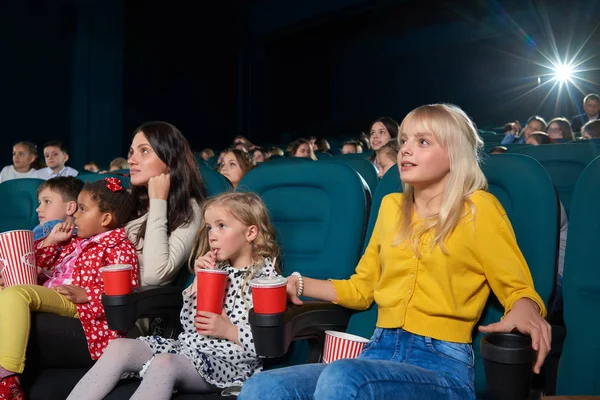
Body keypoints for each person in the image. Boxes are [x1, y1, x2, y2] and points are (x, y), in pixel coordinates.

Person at [239, 104, 551, 400]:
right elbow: (362, 289)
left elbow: (518, 288)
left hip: (442, 364)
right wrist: (298, 283)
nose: (405, 149)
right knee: (264, 386)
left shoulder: (478, 209)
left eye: (423, 141)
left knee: (343, 378)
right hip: (376, 352)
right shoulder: (391, 208)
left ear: (455, 155)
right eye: (404, 140)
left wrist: (527, 307)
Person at [67, 192, 282, 399]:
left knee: (164, 363)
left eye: (221, 226)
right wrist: (198, 282)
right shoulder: (217, 270)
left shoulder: (266, 281)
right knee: (119, 346)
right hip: (191, 348)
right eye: (209, 228)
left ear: (250, 233)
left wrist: (228, 330)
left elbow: (268, 344)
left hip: (230, 363)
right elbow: (190, 326)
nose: (212, 236)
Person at [0, 178, 138, 398]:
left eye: (82, 209)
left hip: (81, 309)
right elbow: (37, 267)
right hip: (53, 295)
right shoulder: (73, 241)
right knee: (9, 292)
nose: (75, 216)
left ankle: (7, 379)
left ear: (105, 218)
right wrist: (52, 241)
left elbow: (126, 291)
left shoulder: (118, 246)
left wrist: (87, 294)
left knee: (17, 293)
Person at [126, 121, 207, 286]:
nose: (131, 160)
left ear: (170, 161)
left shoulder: (190, 209)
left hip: (135, 305)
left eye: (144, 151)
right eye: (132, 152)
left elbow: (155, 275)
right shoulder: (128, 201)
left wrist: (158, 202)